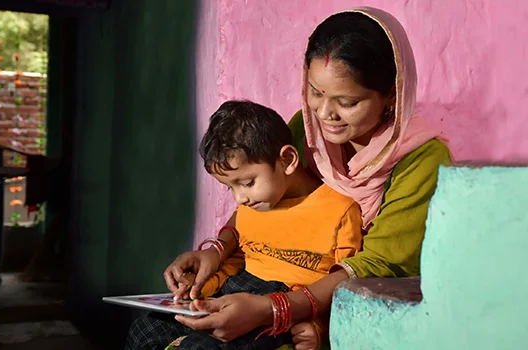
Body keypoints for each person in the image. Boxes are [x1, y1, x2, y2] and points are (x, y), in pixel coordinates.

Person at [153, 6, 452, 350]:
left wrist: (272, 310)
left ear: (392, 94)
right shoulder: (306, 130)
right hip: (267, 287)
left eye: (347, 102)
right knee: (152, 331)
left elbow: (375, 265)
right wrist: (218, 250)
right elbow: (270, 198)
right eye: (316, 92)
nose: (325, 114)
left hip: (334, 311)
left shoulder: (422, 159)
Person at [127, 100, 363, 349]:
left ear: (287, 159)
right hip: (234, 290)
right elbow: (237, 261)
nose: (240, 198)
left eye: (247, 183)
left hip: (281, 309)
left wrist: (318, 326)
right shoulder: (256, 204)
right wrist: (197, 288)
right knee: (144, 329)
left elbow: (344, 289)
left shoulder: (340, 211)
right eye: (230, 187)